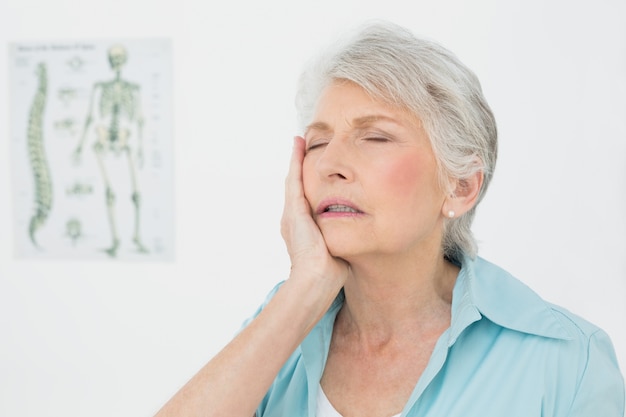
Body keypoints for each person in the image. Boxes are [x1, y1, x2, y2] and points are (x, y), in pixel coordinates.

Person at [155, 21, 624, 417]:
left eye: (375, 137)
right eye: (317, 142)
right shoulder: (280, 324)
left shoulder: (567, 359)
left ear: (460, 186)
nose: (329, 164)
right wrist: (304, 288)